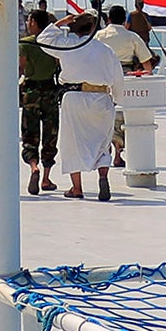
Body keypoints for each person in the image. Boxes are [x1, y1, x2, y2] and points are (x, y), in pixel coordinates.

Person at [39, 12, 124, 201]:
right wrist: (116, 99)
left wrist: (63, 22)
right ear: (93, 29)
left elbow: (43, 38)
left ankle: (76, 188)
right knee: (102, 142)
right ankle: (103, 176)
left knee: (72, 143)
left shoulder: (68, 45)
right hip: (101, 97)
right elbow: (118, 78)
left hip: (74, 97)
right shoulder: (106, 50)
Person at [97, 6, 155, 168]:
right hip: (125, 75)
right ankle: (118, 153)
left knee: (104, 114)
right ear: (124, 21)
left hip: (104, 75)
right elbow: (146, 62)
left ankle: (104, 153)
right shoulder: (132, 36)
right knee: (122, 114)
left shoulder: (99, 36)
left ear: (108, 19)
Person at [18, 8, 61, 194]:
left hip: (31, 91)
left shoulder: (25, 44)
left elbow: (21, 68)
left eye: (29, 20)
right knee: (50, 134)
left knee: (30, 133)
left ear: (34, 22)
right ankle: (45, 177)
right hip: (50, 90)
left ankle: (33, 166)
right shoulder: (54, 43)